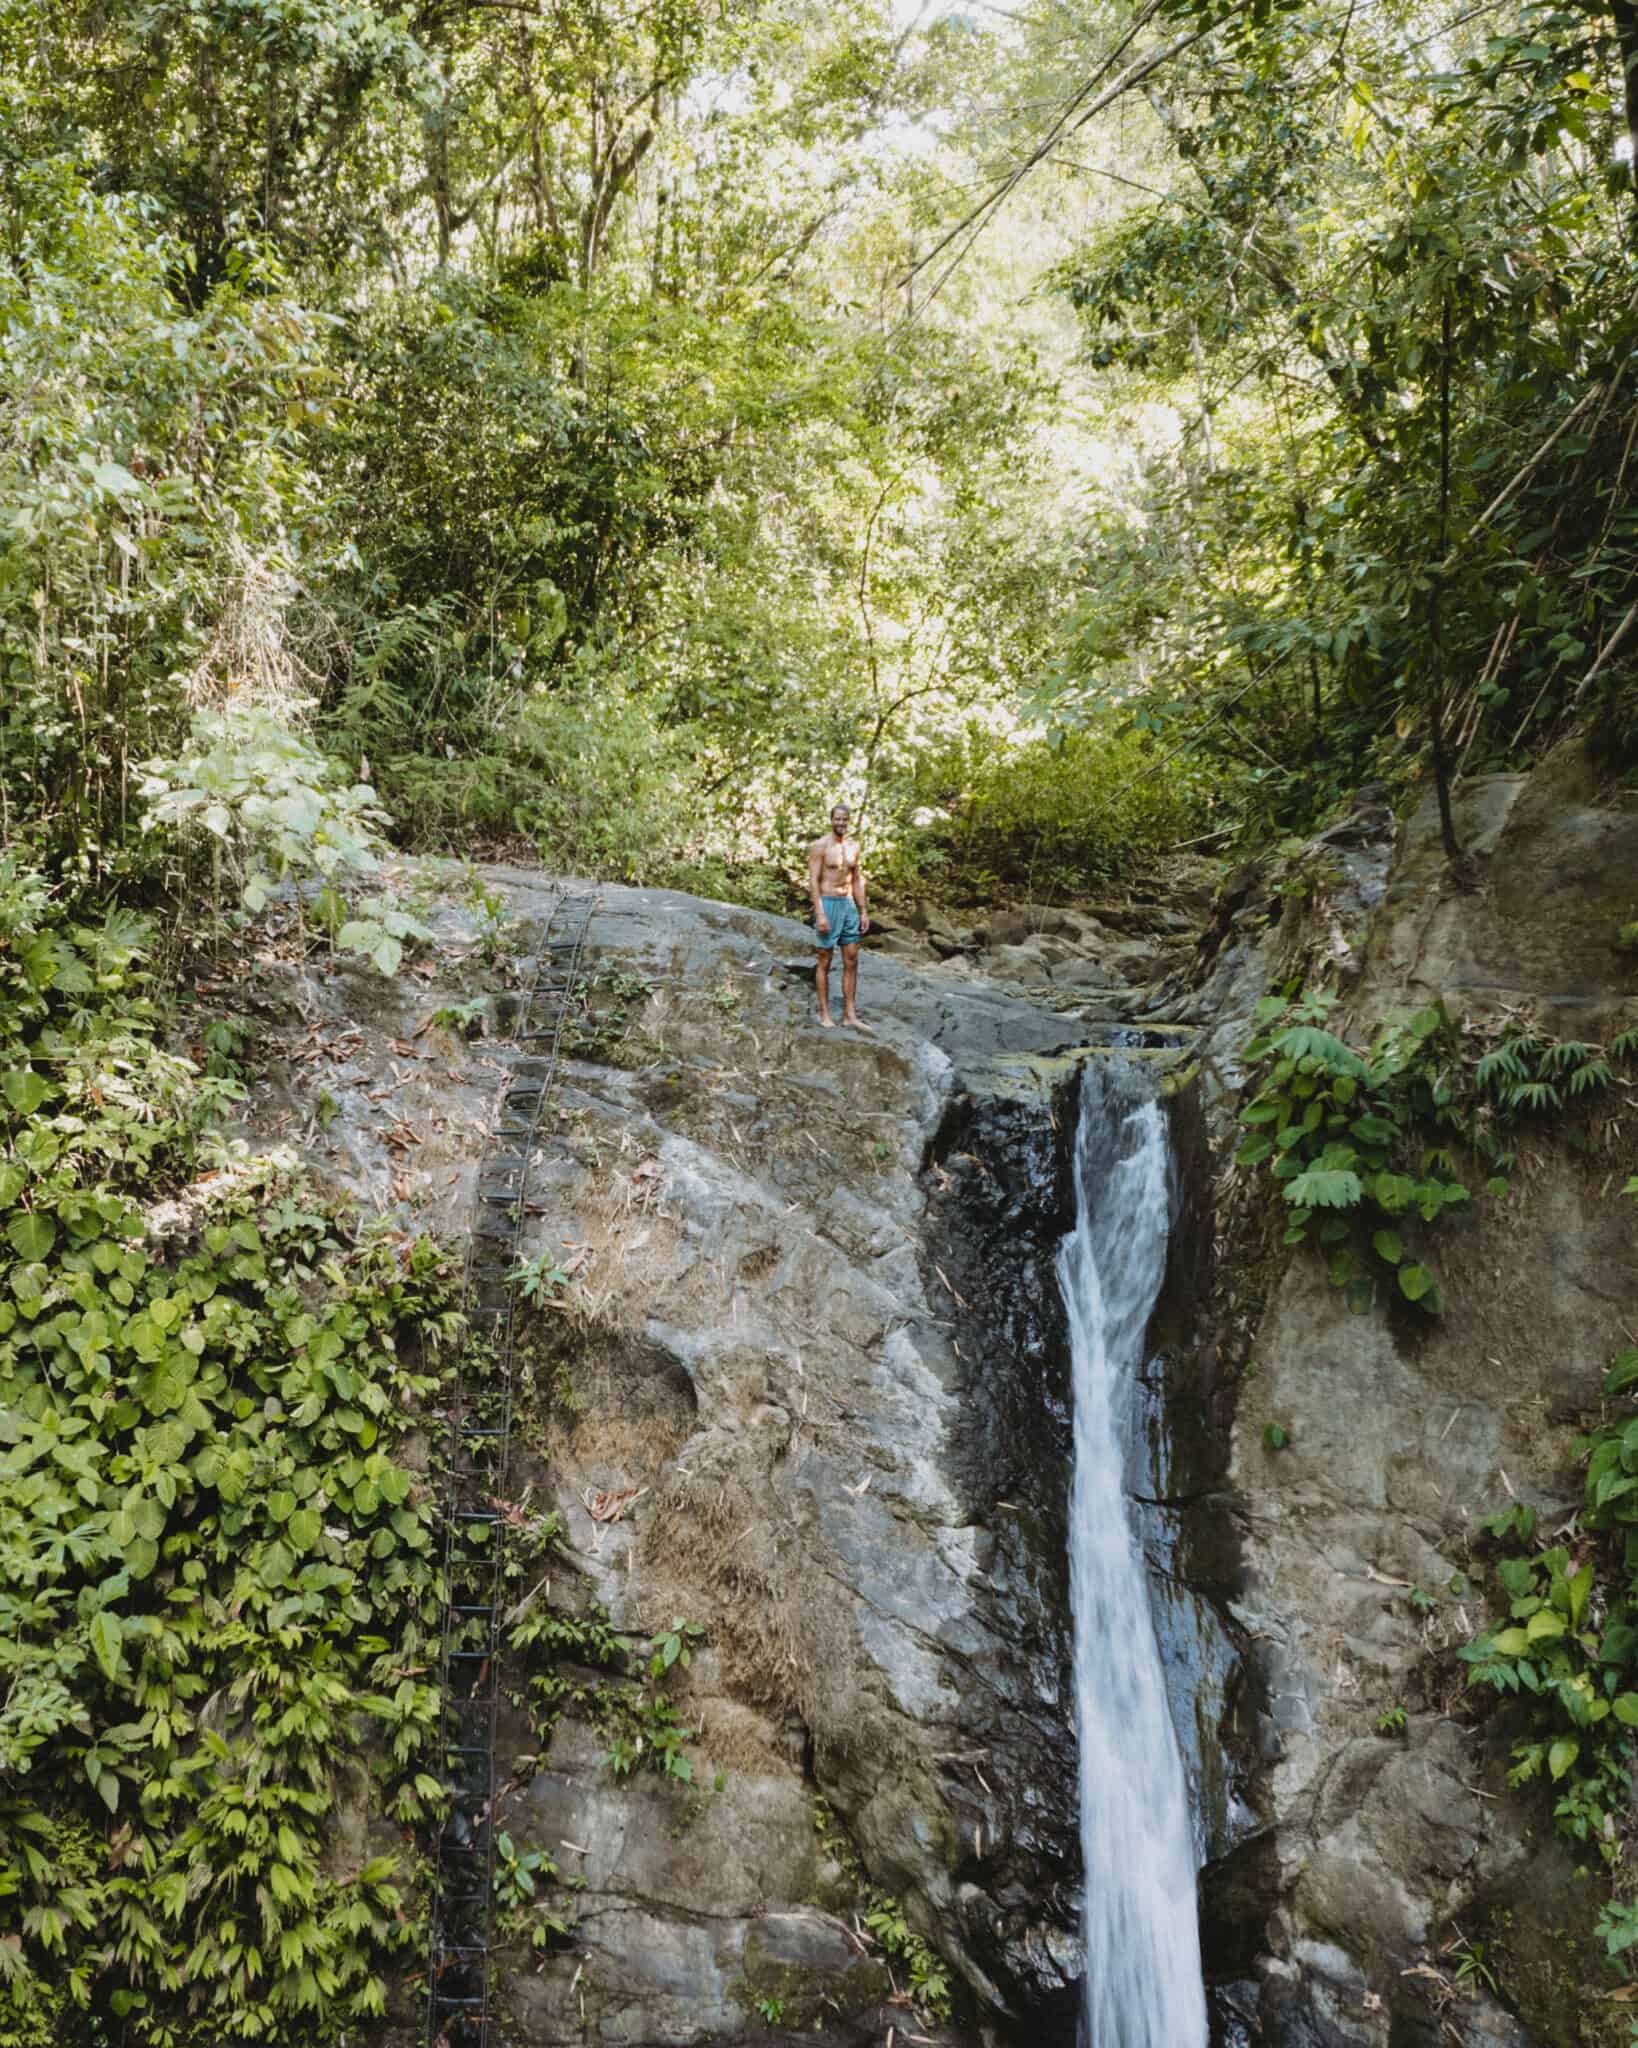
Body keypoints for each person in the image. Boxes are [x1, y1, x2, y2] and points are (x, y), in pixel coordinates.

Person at [807, 803, 869, 1029]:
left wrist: (863, 910)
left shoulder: (854, 847)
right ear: (831, 819)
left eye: (845, 819)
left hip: (848, 905)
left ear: (849, 821)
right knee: (824, 960)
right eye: (837, 819)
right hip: (828, 903)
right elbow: (813, 881)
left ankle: (849, 1014)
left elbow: (856, 880)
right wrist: (820, 913)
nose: (841, 823)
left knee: (852, 960)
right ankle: (825, 1014)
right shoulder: (820, 846)